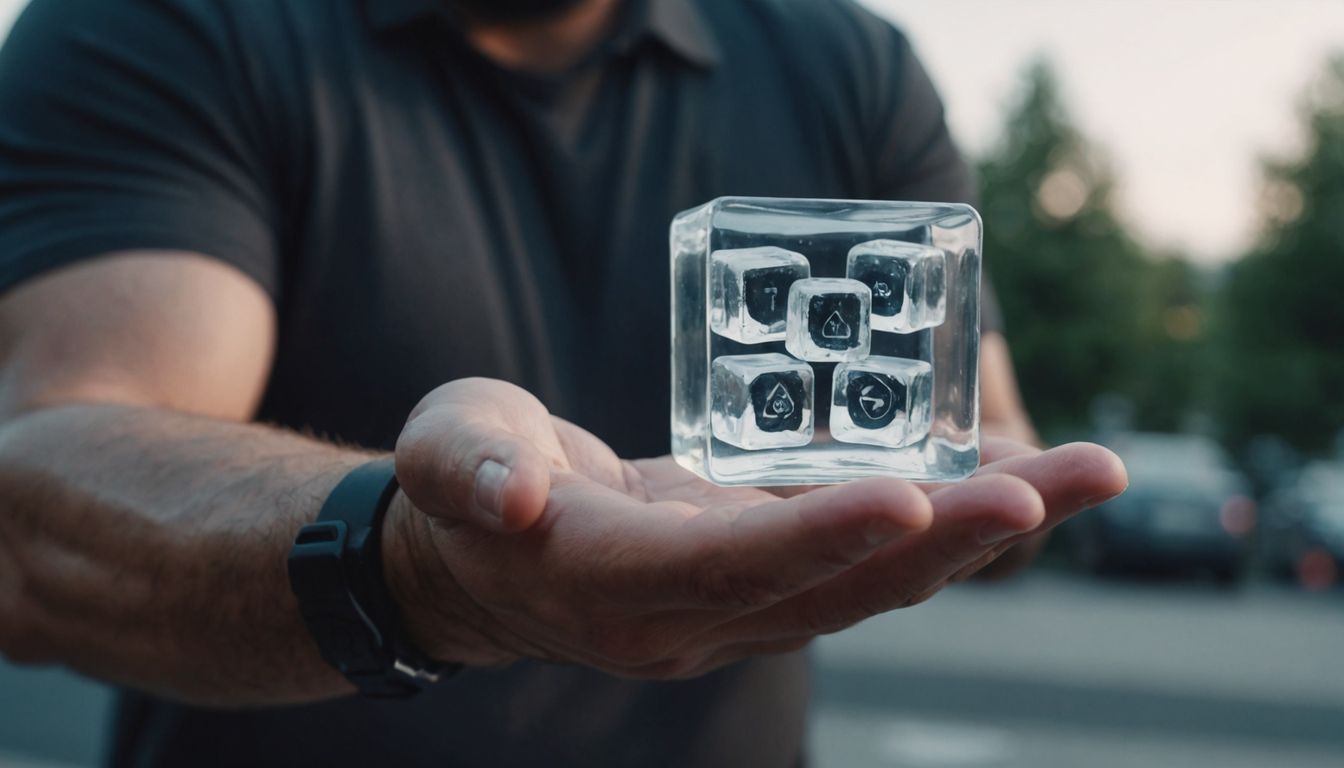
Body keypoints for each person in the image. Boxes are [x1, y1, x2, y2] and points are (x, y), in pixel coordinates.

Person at [0, 0, 1126, 765]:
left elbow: (985, 433)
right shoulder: (164, 26)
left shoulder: (849, 65)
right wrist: (412, 570)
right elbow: (46, 488)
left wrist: (981, 506)